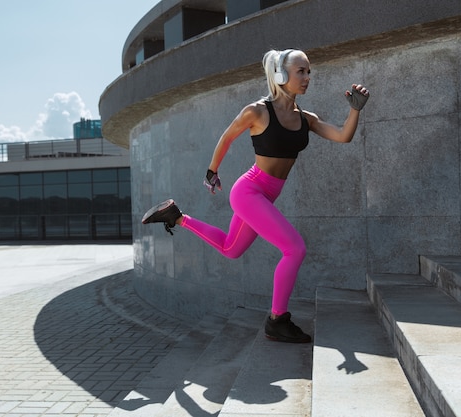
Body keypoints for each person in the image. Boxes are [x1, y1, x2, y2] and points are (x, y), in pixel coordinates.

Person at [142, 48, 369, 343]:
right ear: (281, 75)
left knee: (231, 249)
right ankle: (278, 319)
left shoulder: (306, 118)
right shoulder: (258, 111)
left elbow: (342, 135)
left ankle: (177, 216)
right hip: (249, 191)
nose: (307, 77)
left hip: (266, 195)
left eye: (309, 71)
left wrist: (355, 110)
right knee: (295, 249)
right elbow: (227, 136)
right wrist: (212, 172)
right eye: (301, 71)